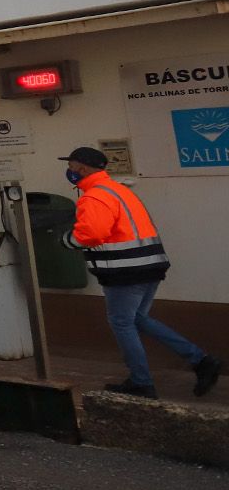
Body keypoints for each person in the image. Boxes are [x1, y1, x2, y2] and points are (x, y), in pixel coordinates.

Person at [61, 146, 220, 398]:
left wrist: (67, 240)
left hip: (125, 272)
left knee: (122, 322)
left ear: (82, 168)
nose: (68, 171)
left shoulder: (93, 197)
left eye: (70, 166)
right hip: (149, 266)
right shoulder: (119, 191)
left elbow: (91, 234)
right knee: (136, 319)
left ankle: (142, 382)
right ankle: (201, 361)